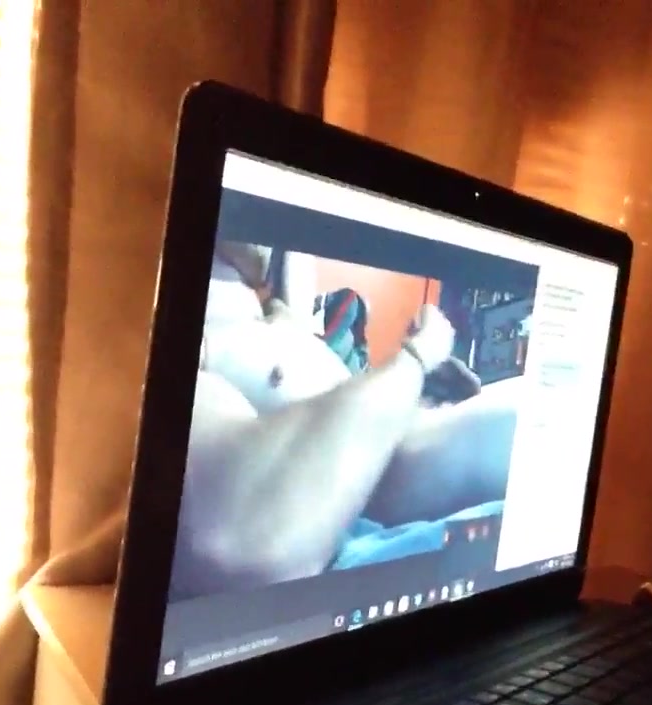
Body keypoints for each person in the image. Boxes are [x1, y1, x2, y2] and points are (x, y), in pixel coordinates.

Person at [170, 242, 519, 601]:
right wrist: (417, 358)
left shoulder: (282, 319)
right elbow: (243, 542)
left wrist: (420, 390)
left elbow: (293, 255)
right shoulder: (182, 347)